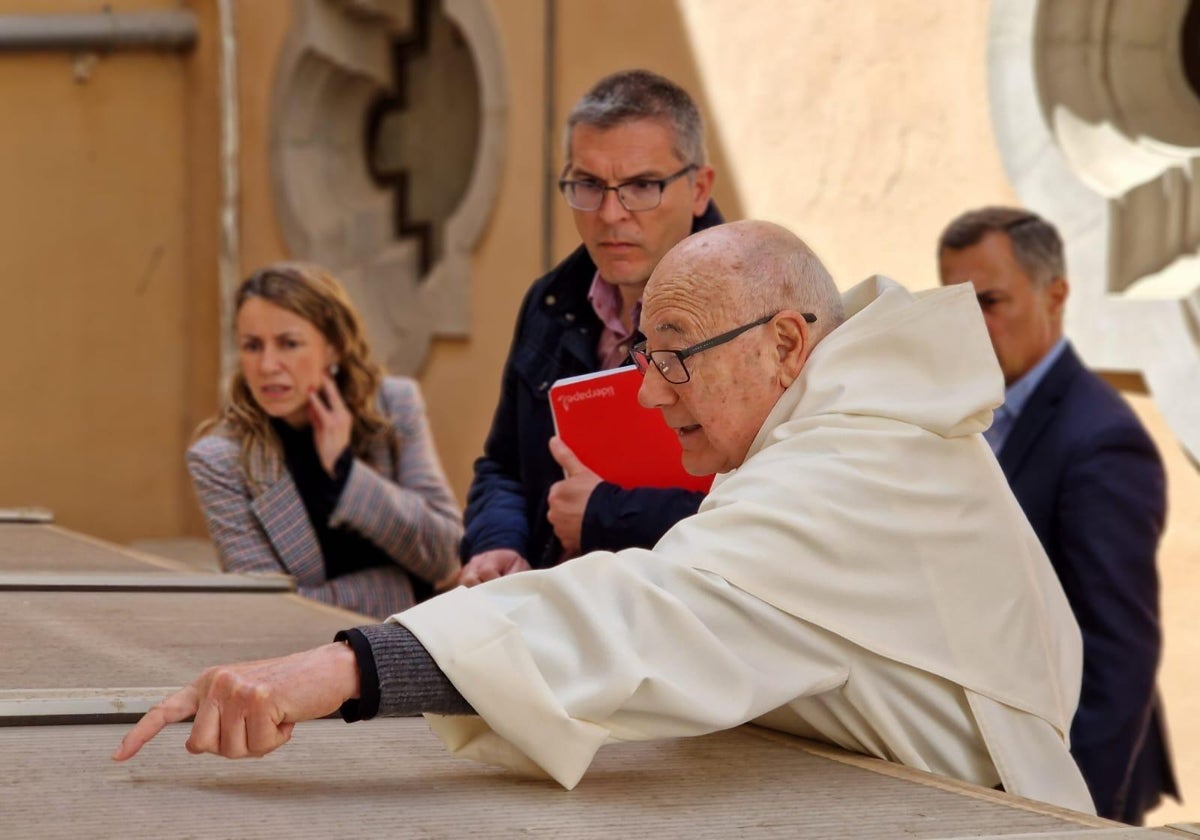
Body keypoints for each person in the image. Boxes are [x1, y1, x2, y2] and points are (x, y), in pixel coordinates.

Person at [116, 221, 1094, 814]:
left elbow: (646, 606)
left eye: (675, 356)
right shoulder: (848, 424)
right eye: (642, 358)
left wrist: (341, 670)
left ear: (787, 342)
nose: (653, 395)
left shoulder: (856, 460)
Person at [938, 206, 1176, 823]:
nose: (972, 326)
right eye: (956, 308)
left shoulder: (1102, 439)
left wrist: (1072, 820)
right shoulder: (964, 410)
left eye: (990, 302)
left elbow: (1118, 652)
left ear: (1057, 294)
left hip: (1074, 773)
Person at [458, 69, 721, 585]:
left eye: (642, 186)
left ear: (699, 189)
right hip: (542, 611)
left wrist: (602, 516)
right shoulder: (551, 302)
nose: (609, 214)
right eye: (588, 185)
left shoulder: (747, 314)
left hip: (676, 633)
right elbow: (503, 467)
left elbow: (767, 514)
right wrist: (499, 545)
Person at [187, 262, 463, 620]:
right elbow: (266, 609)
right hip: (307, 656)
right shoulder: (220, 460)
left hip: (421, 651)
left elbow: (447, 552)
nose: (268, 364)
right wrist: (408, 588)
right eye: (252, 346)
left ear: (332, 348)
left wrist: (345, 472)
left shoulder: (395, 405)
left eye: (289, 343)